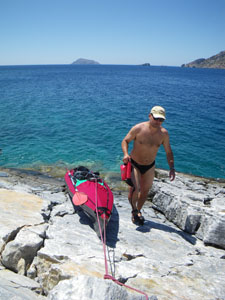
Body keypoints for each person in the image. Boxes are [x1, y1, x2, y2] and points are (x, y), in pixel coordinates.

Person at [121, 105, 175, 225]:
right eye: (156, 118)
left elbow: (168, 151)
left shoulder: (164, 134)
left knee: (145, 191)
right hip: (134, 163)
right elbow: (125, 141)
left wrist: (171, 168)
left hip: (150, 165)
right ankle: (134, 210)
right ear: (150, 116)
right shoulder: (138, 128)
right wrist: (125, 154)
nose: (158, 122)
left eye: (161, 120)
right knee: (135, 189)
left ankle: (138, 210)